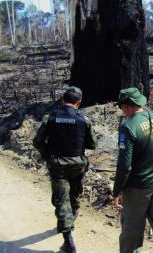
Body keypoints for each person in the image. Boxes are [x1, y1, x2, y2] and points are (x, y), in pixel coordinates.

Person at [112, 87, 153, 253]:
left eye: (122, 107)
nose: (122, 111)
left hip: (138, 188)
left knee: (132, 232)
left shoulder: (128, 128)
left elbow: (124, 166)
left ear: (127, 106)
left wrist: (116, 191)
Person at [33, 86, 96, 253]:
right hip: (78, 164)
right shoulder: (84, 119)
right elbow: (92, 144)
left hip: (58, 165)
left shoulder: (50, 118)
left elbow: (38, 142)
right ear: (78, 102)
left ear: (62, 99)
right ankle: (72, 216)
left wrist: (48, 155)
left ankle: (68, 242)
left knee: (61, 201)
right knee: (73, 195)